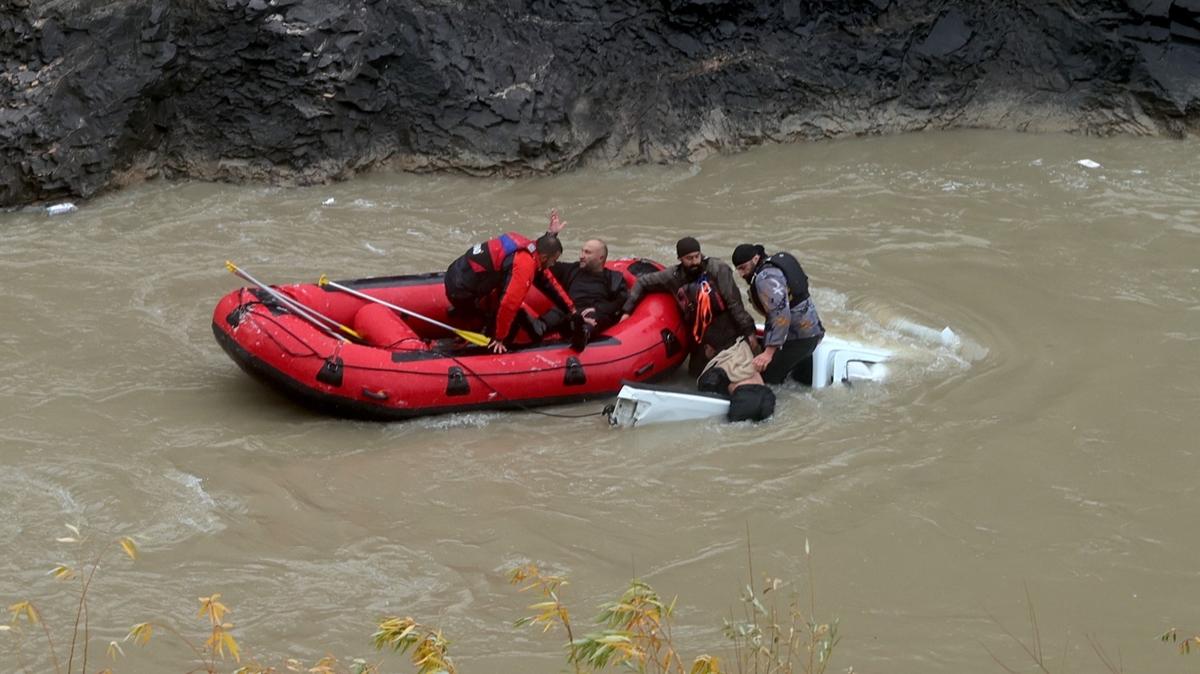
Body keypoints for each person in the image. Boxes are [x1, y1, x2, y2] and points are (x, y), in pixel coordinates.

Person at [443, 210, 576, 353]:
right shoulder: (524, 265)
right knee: (507, 319)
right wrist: (500, 337)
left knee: (500, 292)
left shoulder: (525, 244)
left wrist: (572, 310)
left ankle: (465, 312)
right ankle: (476, 339)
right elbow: (508, 305)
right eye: (553, 261)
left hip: (455, 273)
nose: (553, 265)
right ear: (544, 258)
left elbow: (547, 277)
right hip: (461, 290)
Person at [621, 237, 757, 375]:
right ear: (680, 258)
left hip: (726, 326)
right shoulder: (673, 276)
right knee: (694, 373)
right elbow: (643, 282)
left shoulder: (718, 269)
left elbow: (734, 303)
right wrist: (627, 311)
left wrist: (749, 332)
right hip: (700, 332)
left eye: (697, 256)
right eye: (689, 258)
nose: (694, 262)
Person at [731, 243, 825, 385]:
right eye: (738, 269)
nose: (741, 274)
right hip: (812, 331)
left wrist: (768, 353)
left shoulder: (765, 277)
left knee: (765, 379)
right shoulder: (773, 266)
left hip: (797, 338)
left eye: (743, 268)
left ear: (756, 259)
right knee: (798, 380)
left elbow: (780, 313)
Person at [539, 238, 629, 351]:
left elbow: (622, 301)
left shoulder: (613, 278)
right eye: (582, 251)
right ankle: (534, 329)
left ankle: (581, 335)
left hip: (591, 312)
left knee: (594, 320)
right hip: (569, 310)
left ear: (601, 258)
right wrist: (551, 236)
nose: (581, 256)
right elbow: (545, 261)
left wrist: (599, 309)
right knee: (554, 314)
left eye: (587, 252)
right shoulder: (572, 269)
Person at [696, 337, 776, 422]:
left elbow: (707, 388)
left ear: (708, 348)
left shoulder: (719, 367)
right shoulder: (746, 355)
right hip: (767, 397)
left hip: (745, 398)